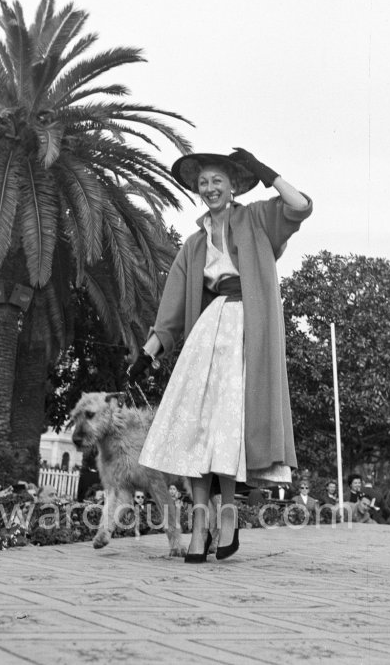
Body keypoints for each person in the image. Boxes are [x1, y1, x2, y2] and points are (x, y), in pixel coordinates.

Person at [129, 148, 312, 562]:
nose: (209, 188)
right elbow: (171, 312)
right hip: (207, 334)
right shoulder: (193, 245)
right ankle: (199, 527)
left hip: (249, 333)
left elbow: (299, 206)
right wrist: (147, 355)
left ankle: (226, 519)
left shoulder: (257, 220)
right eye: (203, 182)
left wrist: (267, 171)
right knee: (198, 430)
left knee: (227, 429)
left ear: (233, 186)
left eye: (217, 180)